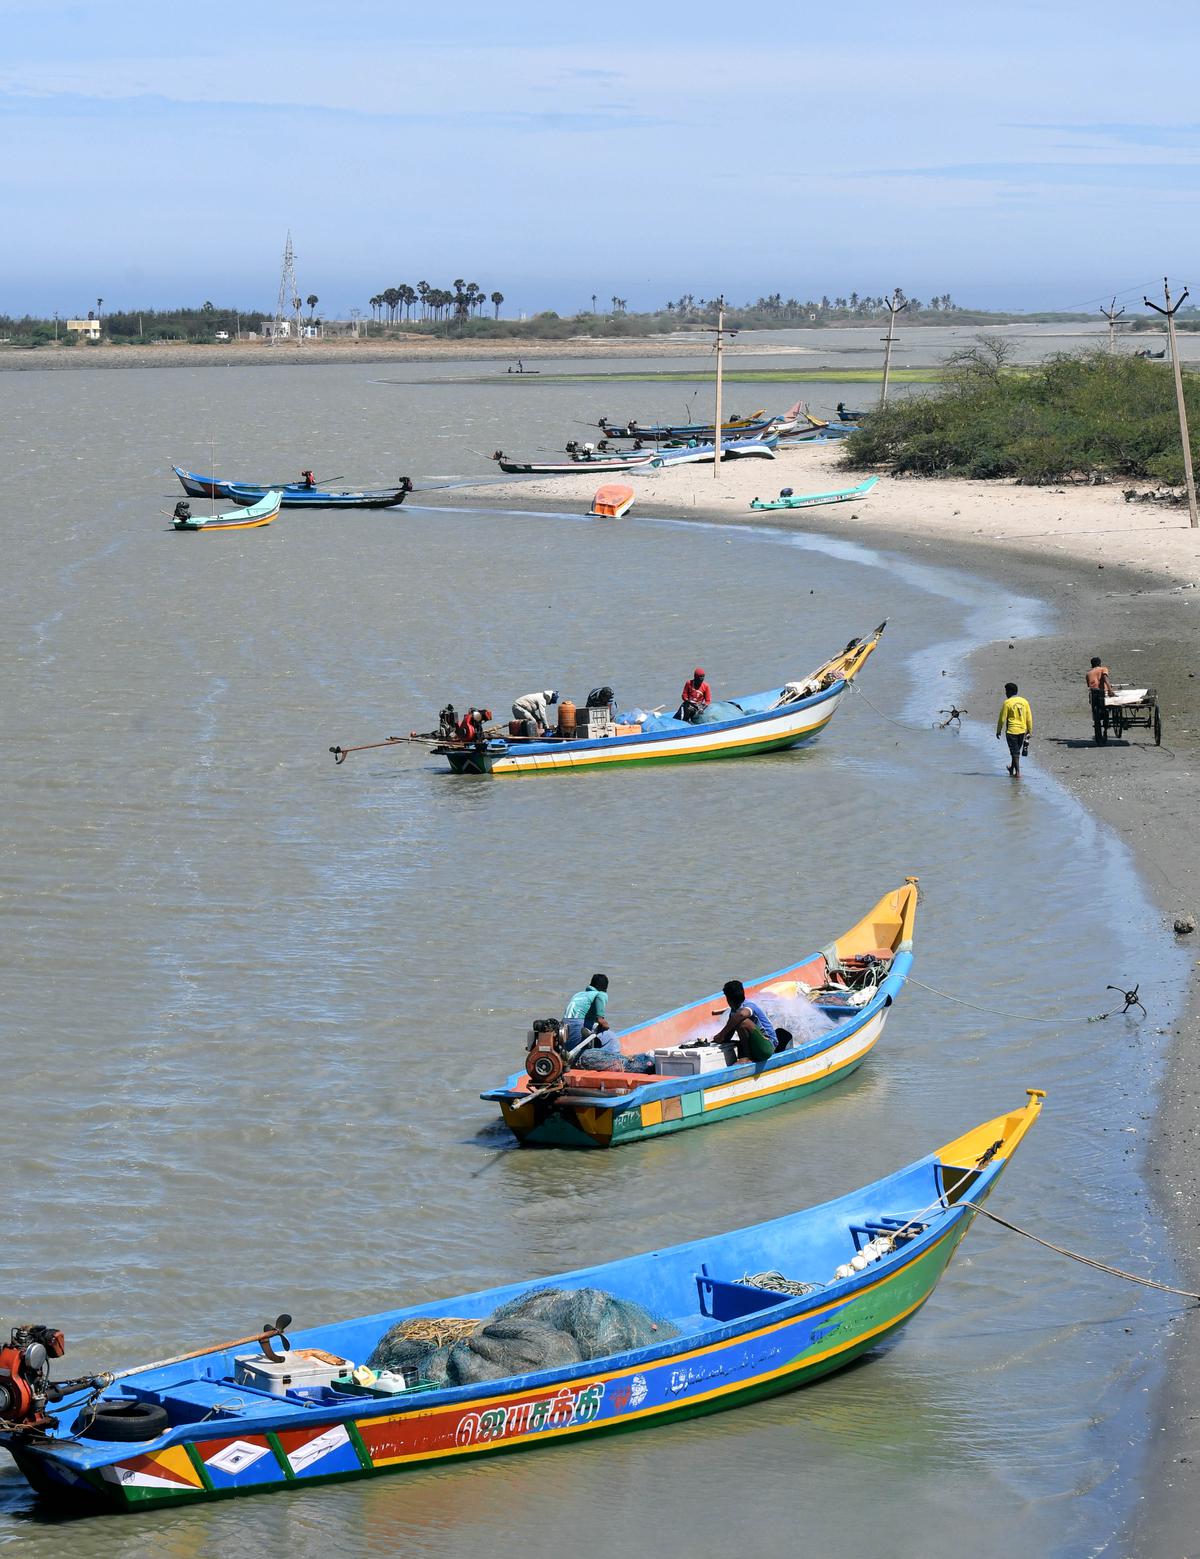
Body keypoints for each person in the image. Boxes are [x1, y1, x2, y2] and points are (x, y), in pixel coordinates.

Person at [710, 980, 777, 1063]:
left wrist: (721, 1034)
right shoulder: (733, 1012)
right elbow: (728, 1035)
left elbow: (742, 1015)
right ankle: (746, 1056)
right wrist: (717, 1040)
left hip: (768, 1046)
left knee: (743, 1022)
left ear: (728, 999)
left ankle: (748, 1057)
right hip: (756, 1047)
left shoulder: (748, 1006)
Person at [562, 974, 613, 1051]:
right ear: (605, 988)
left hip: (564, 1027)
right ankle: (613, 1061)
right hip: (578, 1026)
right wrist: (605, 1025)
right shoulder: (601, 994)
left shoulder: (578, 994)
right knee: (611, 1038)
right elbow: (601, 1021)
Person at [995, 681, 1033, 777]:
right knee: (1015, 751)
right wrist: (1029, 730)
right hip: (1022, 731)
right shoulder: (1025, 701)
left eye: (1006, 691)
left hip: (1012, 731)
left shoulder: (1007, 703)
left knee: (1015, 753)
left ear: (1009, 692)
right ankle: (1012, 768)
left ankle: (1018, 774)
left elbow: (1002, 718)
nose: (1005, 693)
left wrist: (998, 730)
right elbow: (1029, 717)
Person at [1086, 657, 1114, 744]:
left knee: (1095, 709)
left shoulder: (1088, 674)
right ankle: (1105, 728)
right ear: (1100, 663)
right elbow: (1105, 679)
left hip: (1094, 694)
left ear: (1092, 665)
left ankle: (1097, 720)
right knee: (1107, 707)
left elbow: (1089, 685)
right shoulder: (1103, 669)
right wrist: (1110, 689)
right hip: (1102, 693)